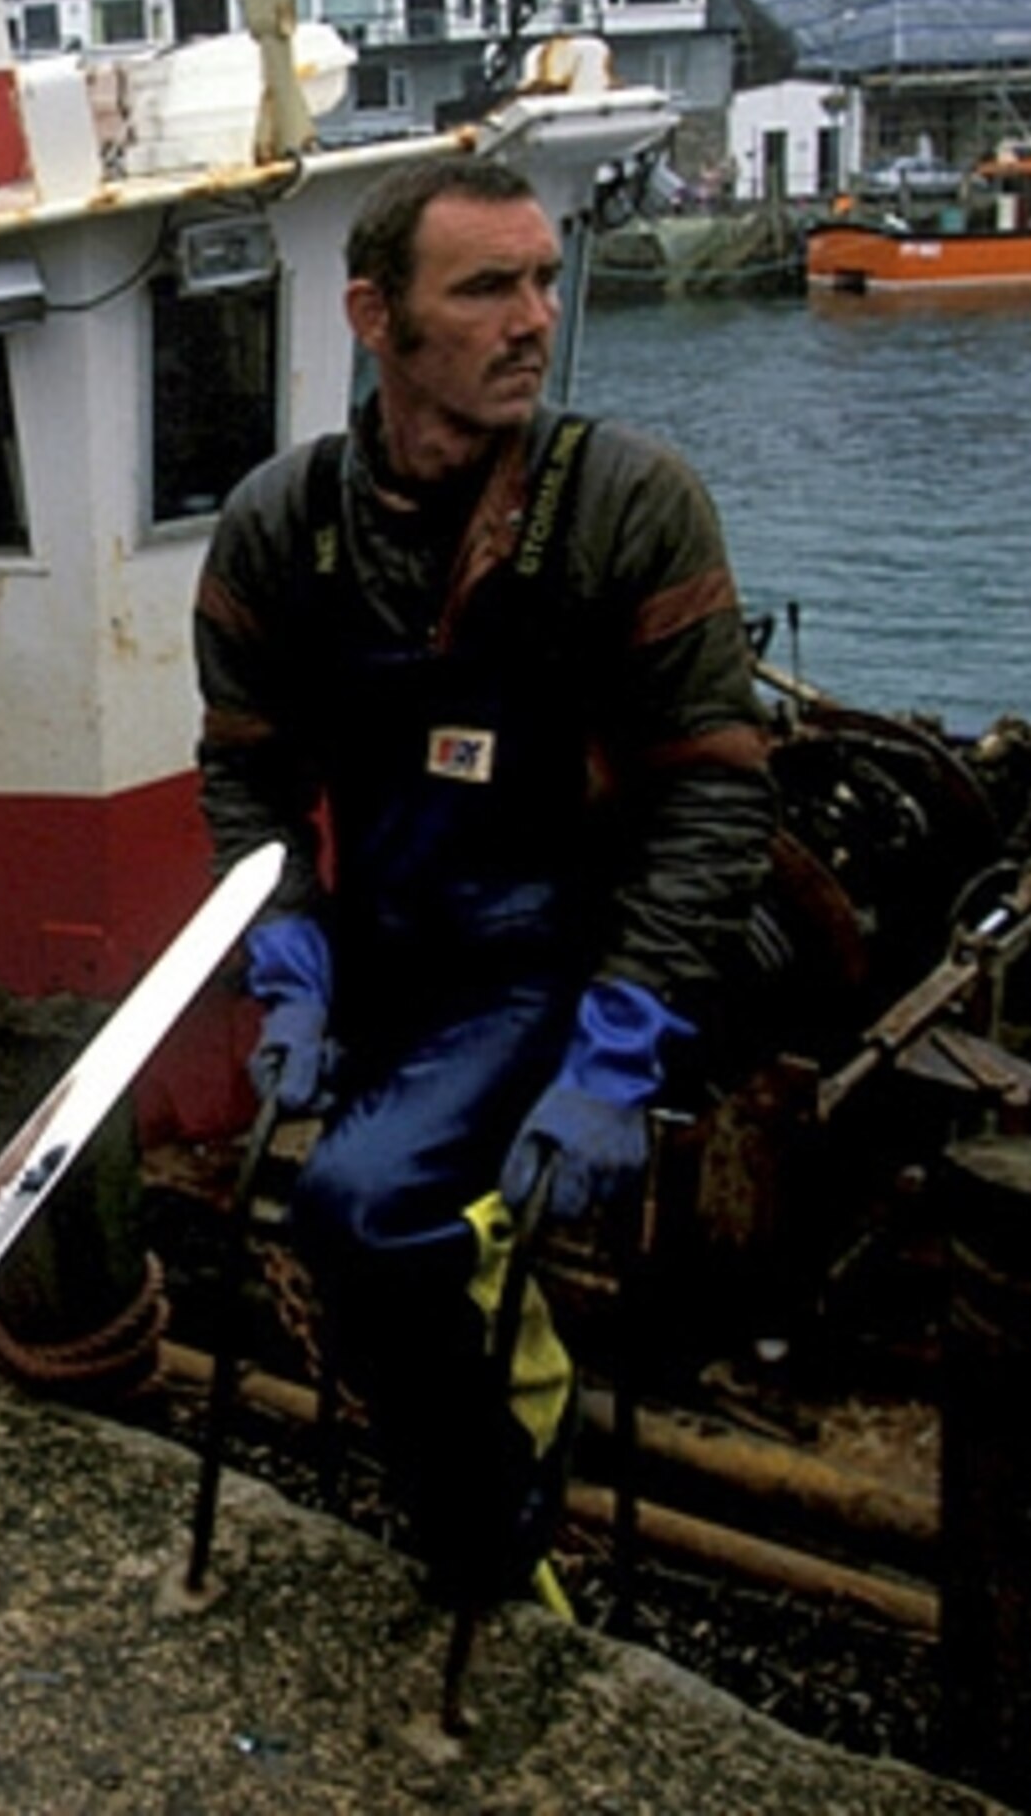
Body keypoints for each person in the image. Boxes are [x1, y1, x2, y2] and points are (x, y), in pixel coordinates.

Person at [191, 152, 776, 1608]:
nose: (536, 318)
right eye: (487, 288)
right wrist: (287, 955)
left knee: (356, 1208)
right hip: (388, 945)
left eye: (543, 279)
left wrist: (622, 1046)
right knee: (380, 1226)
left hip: (554, 960)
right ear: (375, 317)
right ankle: (475, 1473)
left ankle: (494, 1542)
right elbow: (249, 773)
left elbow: (709, 797)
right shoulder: (281, 526)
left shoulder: (627, 504)